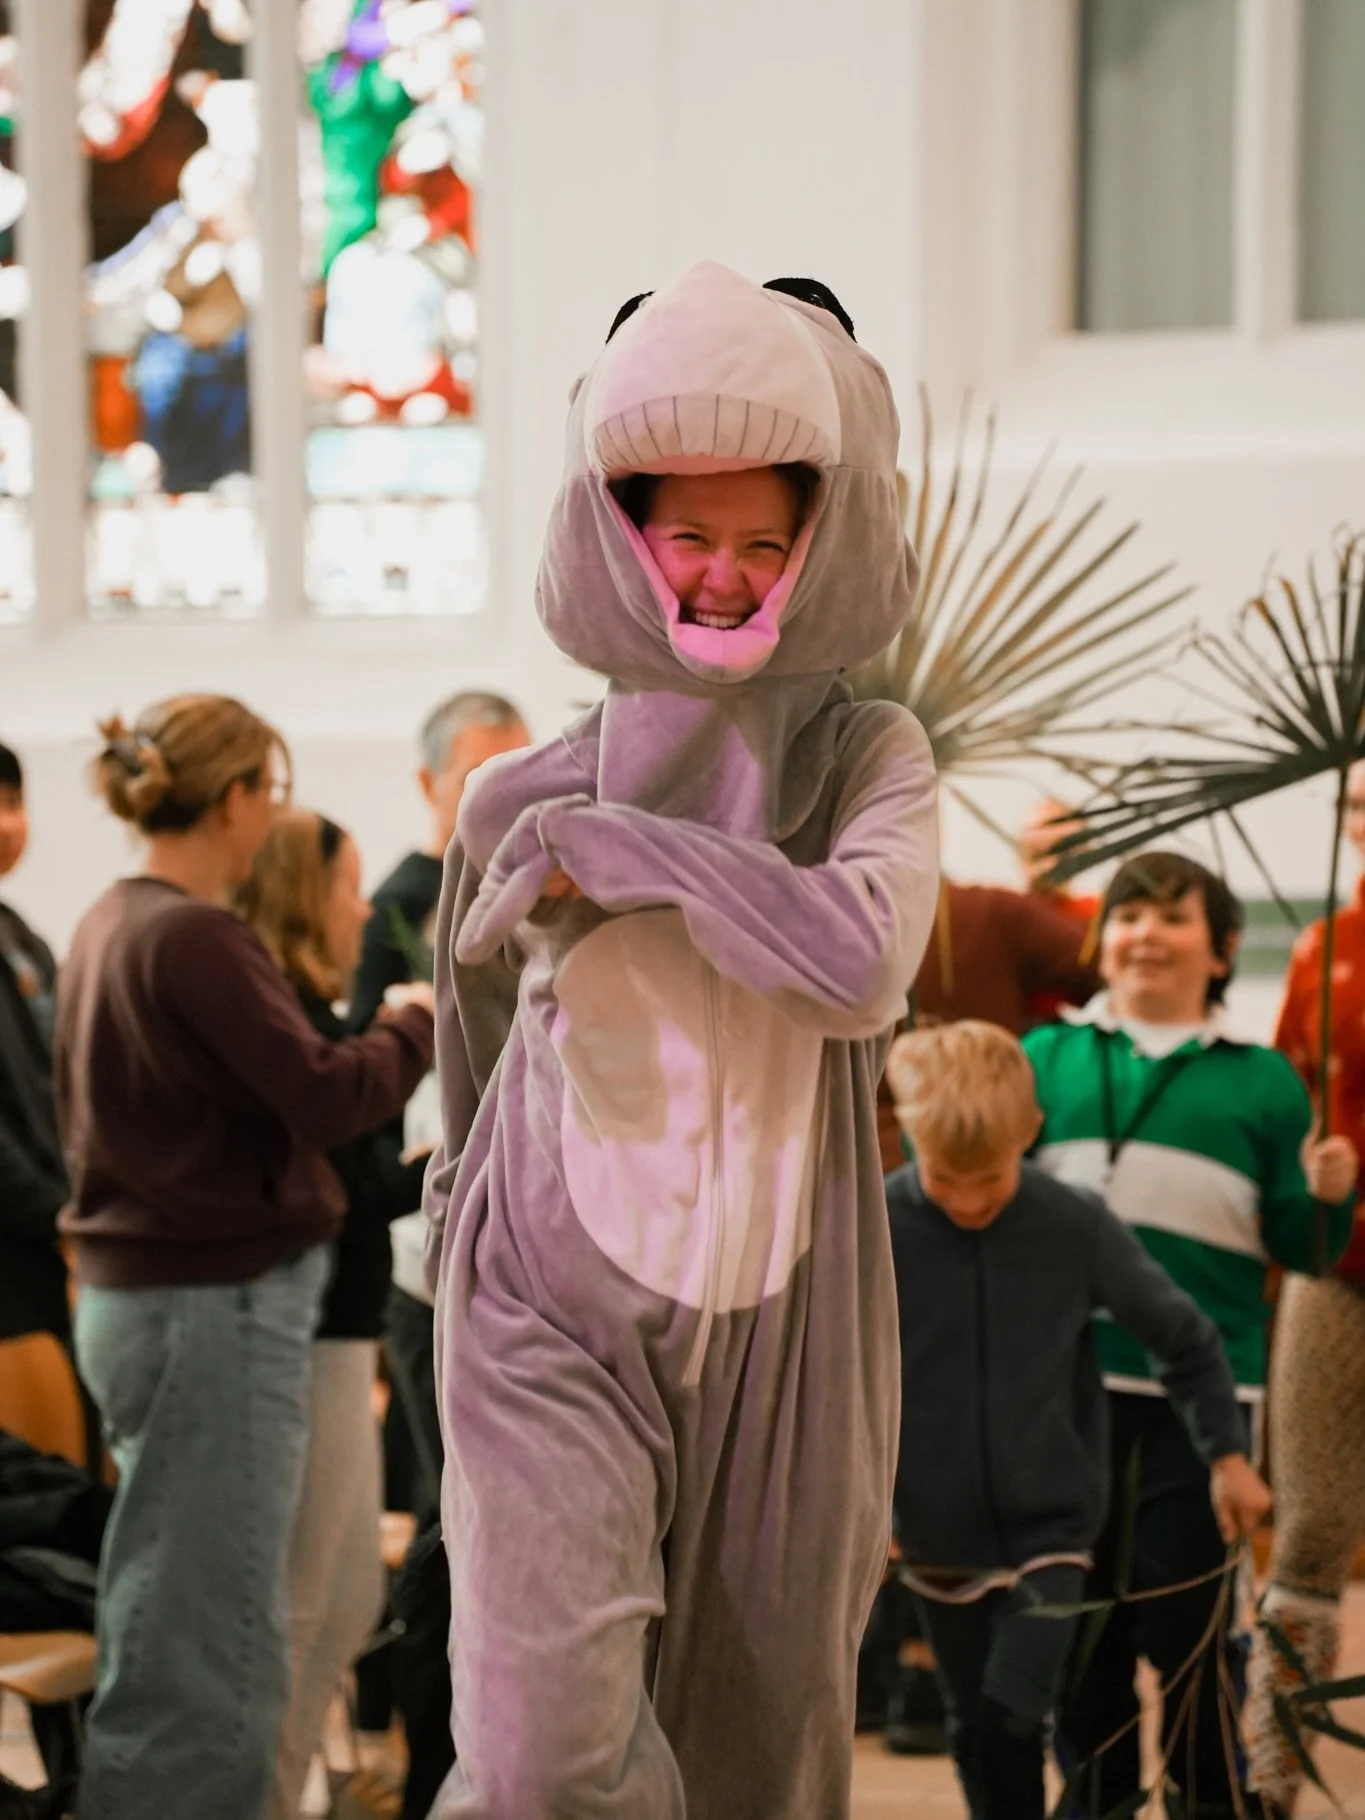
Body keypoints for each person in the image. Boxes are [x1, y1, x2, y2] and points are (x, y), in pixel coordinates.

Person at [420, 263, 938, 1818]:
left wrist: (632, 855)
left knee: (755, 1768)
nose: (723, 577)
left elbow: (858, 960)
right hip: (542, 1307)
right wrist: (453, 1228)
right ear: (618, 535)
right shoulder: (514, 797)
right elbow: (471, 1037)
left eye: (765, 544)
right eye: (688, 537)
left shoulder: (869, 761)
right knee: (539, 1762)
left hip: (785, 1332)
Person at [53, 695, 434, 1820]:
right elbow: (323, 1095)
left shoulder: (112, 918)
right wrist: (412, 1023)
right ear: (233, 799)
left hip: (150, 1299)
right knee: (221, 1631)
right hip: (210, 1305)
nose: (274, 815)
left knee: (174, 1604)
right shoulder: (195, 935)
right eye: (270, 791)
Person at [1022, 850, 1358, 1819]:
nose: (1146, 934)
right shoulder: (1044, 1056)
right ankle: (1093, 1799)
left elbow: (1303, 1246)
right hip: (1066, 1391)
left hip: (1204, 1408)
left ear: (1220, 951)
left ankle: (1209, 1798)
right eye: (1129, 915)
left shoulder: (1263, 1081)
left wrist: (1332, 1197)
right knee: (1077, 1626)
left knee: (1190, 1623)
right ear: (1100, 939)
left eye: (1174, 918)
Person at [884, 1019, 1269, 1820]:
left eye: (989, 1180)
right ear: (907, 1134)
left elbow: (1186, 1341)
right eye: (944, 1179)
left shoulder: (1073, 1223)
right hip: (928, 1534)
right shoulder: (875, 1226)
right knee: (971, 1727)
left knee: (1011, 1715)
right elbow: (831, 1373)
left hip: (1051, 1532)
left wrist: (1227, 1457)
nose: (967, 1203)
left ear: (1031, 1129)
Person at [237, 807, 436, 1820]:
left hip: (341, 1331)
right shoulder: (298, 1026)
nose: (362, 910)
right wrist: (432, 1168)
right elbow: (338, 1193)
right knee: (315, 1596)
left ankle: (287, 1791)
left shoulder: (310, 1016)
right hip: (313, 1335)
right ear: (304, 893)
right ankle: (273, 1796)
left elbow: (350, 1182)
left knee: (345, 1592)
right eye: (347, 886)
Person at [1245, 758, 1365, 1817]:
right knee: (1312, 1521)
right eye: (1357, 804)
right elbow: (1288, 1094)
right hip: (1338, 1266)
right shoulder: (1325, 947)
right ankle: (1271, 1776)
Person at [0, 744, 69, 1347]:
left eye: (15, 802)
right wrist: (56, 1214)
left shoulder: (22, 937)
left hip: (47, 1239)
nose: (7, 824)